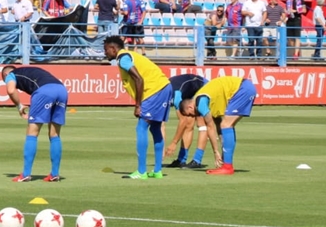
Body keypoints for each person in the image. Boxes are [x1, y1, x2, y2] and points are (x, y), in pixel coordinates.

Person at [104, 35, 173, 180]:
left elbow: (139, 79)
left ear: (113, 48)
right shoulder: (130, 55)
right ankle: (157, 171)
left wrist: (138, 105)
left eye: (106, 50)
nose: (105, 53)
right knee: (155, 127)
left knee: (141, 128)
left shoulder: (123, 58)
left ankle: (142, 171)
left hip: (154, 90)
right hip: (164, 86)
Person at [1, 65, 68, 182]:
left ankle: (26, 174)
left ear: (6, 75)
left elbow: (11, 90)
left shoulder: (11, 74)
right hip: (62, 90)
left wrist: (19, 106)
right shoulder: (31, 70)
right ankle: (55, 174)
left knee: (32, 133)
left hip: (44, 92)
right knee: (55, 135)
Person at [180, 76, 257, 176]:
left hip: (242, 89)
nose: (192, 116)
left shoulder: (200, 102)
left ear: (190, 107)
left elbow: (210, 126)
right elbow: (218, 128)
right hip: (245, 87)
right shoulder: (208, 102)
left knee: (226, 125)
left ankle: (228, 167)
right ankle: (227, 163)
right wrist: (222, 150)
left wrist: (216, 153)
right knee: (227, 125)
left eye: (190, 113)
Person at [165, 73, 209, 169]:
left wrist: (174, 143)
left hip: (201, 87)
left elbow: (182, 121)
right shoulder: (167, 92)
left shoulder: (175, 95)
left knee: (201, 123)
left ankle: (197, 160)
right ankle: (182, 160)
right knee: (189, 124)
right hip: (188, 92)